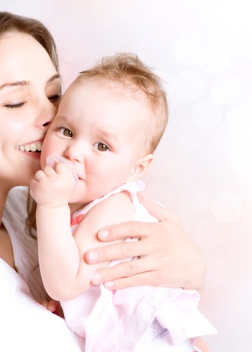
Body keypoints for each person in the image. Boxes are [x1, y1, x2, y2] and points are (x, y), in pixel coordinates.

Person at [0, 8, 207, 351]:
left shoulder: (27, 211)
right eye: (16, 103)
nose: (52, 118)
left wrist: (190, 269)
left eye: (53, 95)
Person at [30, 53, 216, 351]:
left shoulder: (112, 208)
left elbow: (64, 282)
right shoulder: (88, 206)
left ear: (136, 168)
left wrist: (50, 205)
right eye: (66, 131)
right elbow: (83, 285)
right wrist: (68, 308)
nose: (74, 152)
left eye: (101, 145)